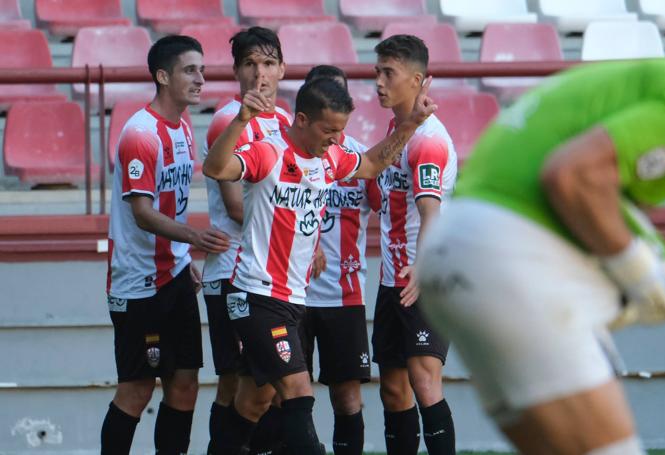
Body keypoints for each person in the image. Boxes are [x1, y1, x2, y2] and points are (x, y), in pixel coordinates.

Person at [416, 59, 665, 455]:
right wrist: (646, 279)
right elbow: (573, 178)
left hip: (456, 251)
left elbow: (598, 206)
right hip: (506, 253)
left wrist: (640, 272)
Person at [203, 75, 436, 454]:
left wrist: (411, 123)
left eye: (341, 130)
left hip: (293, 299)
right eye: (329, 129)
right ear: (301, 120)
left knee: (253, 402)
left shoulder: (329, 157)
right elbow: (216, 168)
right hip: (256, 294)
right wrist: (241, 119)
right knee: (298, 392)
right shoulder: (270, 153)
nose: (335, 138)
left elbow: (373, 163)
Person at [101, 35, 230, 455]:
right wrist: (193, 237)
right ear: (162, 76)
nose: (200, 79)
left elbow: (168, 207)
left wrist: (182, 255)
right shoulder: (140, 133)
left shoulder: (184, 128)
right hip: (139, 283)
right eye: (190, 70)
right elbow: (142, 211)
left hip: (173, 274)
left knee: (186, 384)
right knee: (137, 390)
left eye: (203, 70)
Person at [200, 26, 291, 455]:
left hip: (273, 275)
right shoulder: (228, 118)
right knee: (236, 381)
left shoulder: (290, 120)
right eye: (251, 64)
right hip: (234, 269)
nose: (261, 74)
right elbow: (237, 206)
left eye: (269, 63)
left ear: (283, 69)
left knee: (271, 383)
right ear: (236, 71)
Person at [371, 35, 458, 455]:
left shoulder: (427, 140)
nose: (379, 83)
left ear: (418, 81)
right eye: (377, 72)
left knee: (424, 381)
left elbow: (430, 214)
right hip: (394, 278)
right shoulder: (397, 130)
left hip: (421, 278)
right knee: (393, 389)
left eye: (389, 73)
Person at [303, 65, 382, 455]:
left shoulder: (362, 160)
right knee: (285, 398)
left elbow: (390, 211)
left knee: (347, 398)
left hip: (344, 295)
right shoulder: (287, 156)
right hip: (292, 295)